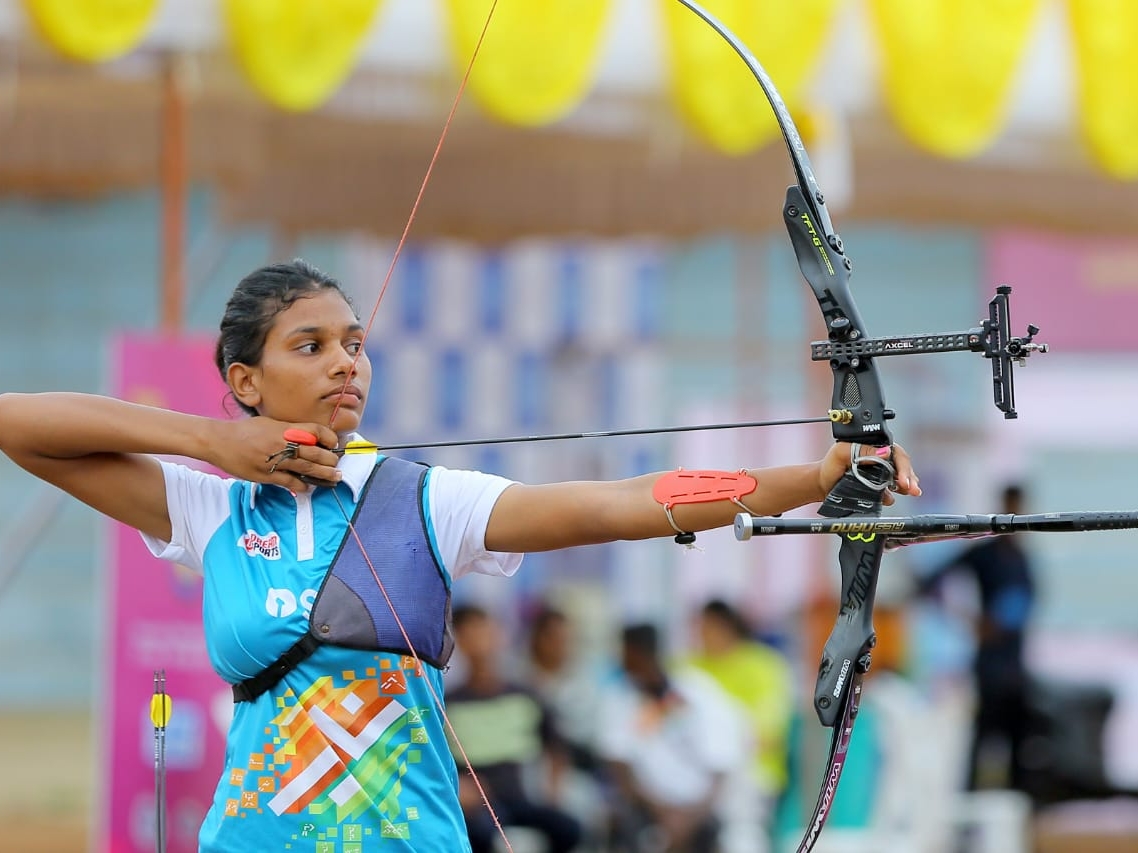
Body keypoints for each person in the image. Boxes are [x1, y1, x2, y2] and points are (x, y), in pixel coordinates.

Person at [0, 259, 920, 852]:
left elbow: (617, 503)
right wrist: (212, 441)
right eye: (310, 346)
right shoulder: (213, 505)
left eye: (354, 344)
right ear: (246, 379)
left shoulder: (425, 501)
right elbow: (19, 425)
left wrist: (814, 475)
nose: (345, 363)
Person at [596, 623, 757, 853]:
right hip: (648, 811)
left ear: (636, 653)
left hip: (702, 811)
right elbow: (619, 765)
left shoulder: (697, 691)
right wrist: (662, 812)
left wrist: (691, 818)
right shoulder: (619, 699)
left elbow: (722, 765)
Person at [919, 483, 1035, 792]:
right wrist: (966, 618)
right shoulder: (986, 554)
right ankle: (970, 806)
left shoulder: (1022, 559)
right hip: (990, 667)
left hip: (1015, 668)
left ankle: (1014, 804)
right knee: (982, 738)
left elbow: (1021, 610)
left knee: (1017, 746)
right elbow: (929, 582)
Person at [445, 603, 582, 853]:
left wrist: (553, 792)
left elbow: (556, 746)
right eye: (471, 633)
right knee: (479, 833)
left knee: (569, 829)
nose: (481, 641)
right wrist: (458, 788)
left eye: (485, 631)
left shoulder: (524, 695)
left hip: (520, 799)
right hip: (478, 806)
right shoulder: (449, 703)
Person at [686, 599, 795, 838]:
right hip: (696, 769)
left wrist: (725, 741)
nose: (703, 635)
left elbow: (770, 733)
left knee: (739, 830)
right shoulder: (688, 667)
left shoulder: (764, 665)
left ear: (727, 627)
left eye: (709, 627)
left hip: (750, 769)